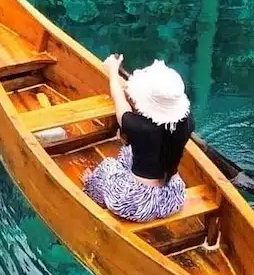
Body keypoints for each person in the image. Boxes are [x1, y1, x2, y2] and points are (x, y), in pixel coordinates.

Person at [82, 56, 193, 223]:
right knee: (128, 153)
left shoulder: (138, 126)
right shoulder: (188, 121)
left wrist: (113, 70)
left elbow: (119, 100)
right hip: (173, 197)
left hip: (137, 204)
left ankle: (91, 188)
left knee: (108, 165)